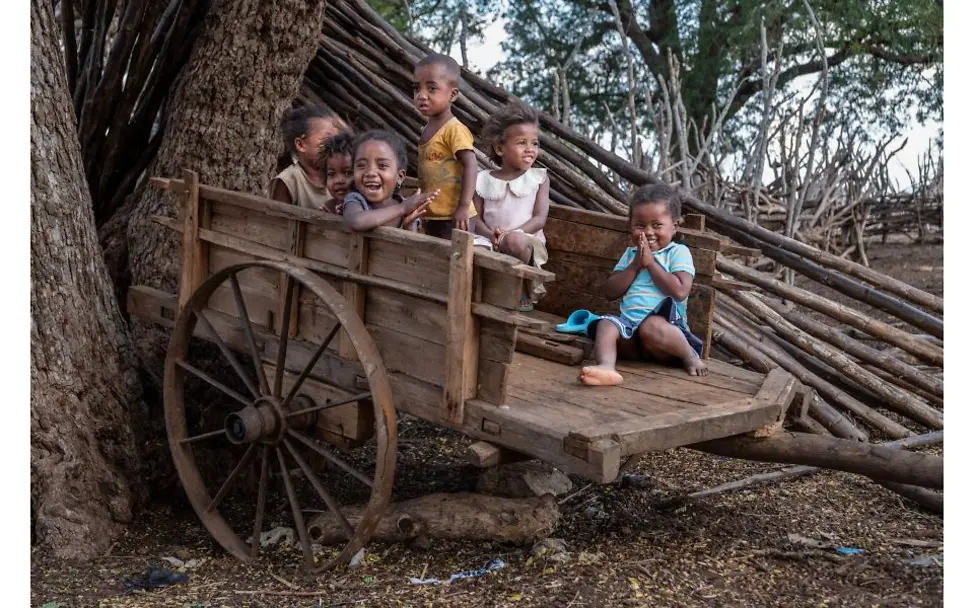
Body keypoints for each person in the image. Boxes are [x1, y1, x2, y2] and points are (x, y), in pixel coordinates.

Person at [579, 184, 708, 386]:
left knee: (651, 325)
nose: (648, 232)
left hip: (665, 338)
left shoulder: (677, 252)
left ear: (674, 226)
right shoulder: (631, 255)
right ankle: (606, 367)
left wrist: (650, 264)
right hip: (631, 332)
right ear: (630, 225)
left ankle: (689, 356)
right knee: (606, 324)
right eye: (640, 225)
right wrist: (635, 265)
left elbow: (680, 291)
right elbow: (610, 292)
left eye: (657, 225)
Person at [472, 102, 550, 312]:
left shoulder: (539, 178)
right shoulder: (482, 179)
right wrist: (492, 236)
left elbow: (539, 219)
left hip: (524, 240)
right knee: (470, 248)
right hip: (489, 238)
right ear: (500, 148)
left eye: (534, 143)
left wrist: (509, 234)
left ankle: (519, 287)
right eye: (522, 143)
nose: (530, 150)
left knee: (514, 242)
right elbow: (475, 218)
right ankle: (484, 292)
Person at [412, 53, 478, 239]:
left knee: (453, 263)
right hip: (433, 215)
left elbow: (471, 165)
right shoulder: (427, 129)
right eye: (417, 88)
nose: (422, 95)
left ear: (453, 94)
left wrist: (464, 206)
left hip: (455, 216)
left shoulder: (454, 129)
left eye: (432, 88)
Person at [342, 130, 438, 232]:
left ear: (400, 177)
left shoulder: (407, 206)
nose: (370, 172)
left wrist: (408, 224)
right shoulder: (355, 200)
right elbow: (356, 222)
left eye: (382, 166)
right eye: (361, 165)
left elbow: (409, 243)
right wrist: (401, 209)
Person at [269, 106, 345, 209]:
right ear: (301, 145)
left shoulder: (341, 178)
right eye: (327, 140)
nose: (334, 146)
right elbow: (276, 221)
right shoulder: (290, 181)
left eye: (336, 140)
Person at [318, 129, 355, 214]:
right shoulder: (327, 209)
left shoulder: (372, 207)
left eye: (348, 173)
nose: (339, 180)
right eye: (331, 174)